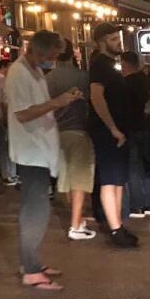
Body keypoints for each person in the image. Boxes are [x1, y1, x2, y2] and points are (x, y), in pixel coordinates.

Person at [7, 30, 84, 291]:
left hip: (40, 150)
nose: (53, 61)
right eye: (51, 56)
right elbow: (22, 114)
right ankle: (30, 270)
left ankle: (31, 262)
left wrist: (60, 102)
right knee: (35, 211)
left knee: (37, 210)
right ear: (37, 51)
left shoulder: (35, 72)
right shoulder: (18, 73)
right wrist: (57, 102)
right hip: (31, 152)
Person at [87, 22, 139, 247]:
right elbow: (96, 97)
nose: (118, 42)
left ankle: (117, 223)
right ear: (101, 42)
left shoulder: (109, 64)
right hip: (108, 132)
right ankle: (115, 228)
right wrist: (112, 128)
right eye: (113, 39)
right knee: (110, 180)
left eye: (118, 38)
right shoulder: (100, 65)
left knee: (117, 179)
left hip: (118, 131)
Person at [45, 47, 95, 240]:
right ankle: (75, 225)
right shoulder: (83, 77)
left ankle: (78, 218)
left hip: (56, 133)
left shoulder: (47, 79)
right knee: (80, 180)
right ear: (73, 55)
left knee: (66, 178)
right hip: (78, 131)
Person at [120, 51, 150, 218]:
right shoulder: (147, 81)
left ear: (124, 63)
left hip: (131, 127)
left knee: (133, 166)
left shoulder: (125, 84)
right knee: (146, 165)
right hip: (145, 126)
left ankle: (138, 205)